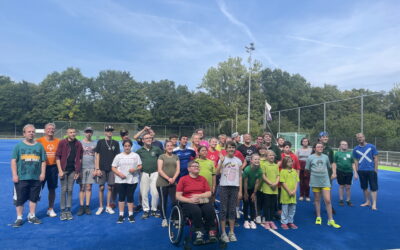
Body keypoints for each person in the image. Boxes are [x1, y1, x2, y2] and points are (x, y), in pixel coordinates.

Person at [11, 124, 46, 227]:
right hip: (22, 177)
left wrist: (43, 173)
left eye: (32, 131)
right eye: (29, 132)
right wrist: (14, 175)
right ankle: (19, 218)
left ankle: (32, 216)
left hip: (36, 177)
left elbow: (43, 161)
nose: (31, 133)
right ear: (24, 133)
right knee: (20, 199)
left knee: (33, 198)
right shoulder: (18, 146)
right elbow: (13, 161)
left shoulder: (39, 146)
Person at [176, 160, 217, 245]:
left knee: (209, 209)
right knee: (196, 211)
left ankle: (211, 231)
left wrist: (199, 196)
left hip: (201, 200)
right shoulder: (183, 179)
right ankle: (199, 232)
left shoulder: (203, 179)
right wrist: (189, 200)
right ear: (189, 169)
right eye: (194, 166)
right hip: (188, 201)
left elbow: (209, 193)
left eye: (197, 166)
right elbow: (178, 196)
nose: (196, 167)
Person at [306, 142, 341, 228]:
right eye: (318, 147)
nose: (320, 148)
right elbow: (307, 169)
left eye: (321, 147)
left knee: (328, 200)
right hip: (315, 182)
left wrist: (332, 174)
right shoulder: (310, 157)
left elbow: (328, 167)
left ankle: (331, 220)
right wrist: (315, 174)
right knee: (317, 200)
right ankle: (318, 217)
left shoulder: (325, 157)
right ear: (314, 149)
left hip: (325, 181)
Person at [217, 141, 242, 243]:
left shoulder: (238, 161)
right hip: (224, 187)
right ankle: (223, 233)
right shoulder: (222, 159)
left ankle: (231, 232)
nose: (231, 149)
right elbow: (217, 172)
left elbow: (240, 176)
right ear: (226, 149)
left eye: (233, 147)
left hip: (234, 187)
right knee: (223, 210)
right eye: (229, 147)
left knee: (232, 210)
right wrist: (221, 161)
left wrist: (240, 190)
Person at [112, 139, 142, 223]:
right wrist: (119, 174)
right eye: (125, 146)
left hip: (132, 180)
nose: (127, 147)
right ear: (123, 146)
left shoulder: (135, 155)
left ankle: (131, 215)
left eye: (129, 146)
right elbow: (113, 167)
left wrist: (134, 169)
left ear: (131, 146)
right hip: (120, 180)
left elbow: (140, 166)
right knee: (121, 197)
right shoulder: (118, 156)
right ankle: (121, 215)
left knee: (130, 197)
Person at [56, 127, 83, 220]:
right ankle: (63, 211)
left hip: (73, 171)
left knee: (70, 190)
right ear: (67, 133)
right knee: (64, 190)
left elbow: (80, 158)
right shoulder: (62, 142)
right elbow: (57, 157)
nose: (72, 134)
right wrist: (60, 170)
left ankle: (68, 210)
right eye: (70, 132)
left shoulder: (78, 144)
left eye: (74, 132)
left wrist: (78, 171)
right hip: (63, 170)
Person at [136, 133, 163, 219]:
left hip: (155, 173)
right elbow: (134, 160)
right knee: (144, 193)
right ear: (143, 140)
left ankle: (154, 210)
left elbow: (162, 158)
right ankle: (146, 210)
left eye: (150, 138)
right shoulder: (139, 151)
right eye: (146, 138)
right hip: (144, 173)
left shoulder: (157, 149)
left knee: (155, 193)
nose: (148, 139)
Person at [94, 125, 120, 215]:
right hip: (101, 168)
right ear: (105, 132)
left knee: (110, 187)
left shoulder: (116, 143)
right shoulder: (100, 142)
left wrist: (116, 169)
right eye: (108, 130)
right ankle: (101, 206)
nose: (109, 132)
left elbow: (117, 157)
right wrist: (97, 168)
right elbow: (97, 155)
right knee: (101, 187)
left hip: (112, 169)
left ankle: (108, 206)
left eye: (111, 130)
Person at [37, 122, 60, 217]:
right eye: (48, 128)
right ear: (45, 130)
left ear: (54, 130)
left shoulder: (58, 141)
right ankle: (33, 211)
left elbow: (60, 156)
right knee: (37, 189)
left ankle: (50, 209)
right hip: (41, 168)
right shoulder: (39, 141)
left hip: (53, 168)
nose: (50, 130)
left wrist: (60, 169)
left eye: (52, 129)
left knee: (52, 189)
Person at [353, 133, 379, 210]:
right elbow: (355, 161)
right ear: (357, 139)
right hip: (361, 171)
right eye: (358, 138)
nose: (360, 138)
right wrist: (357, 171)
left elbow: (376, 159)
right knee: (364, 187)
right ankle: (367, 201)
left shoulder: (371, 147)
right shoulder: (355, 149)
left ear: (364, 137)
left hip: (371, 170)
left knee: (373, 188)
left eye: (361, 137)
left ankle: (374, 204)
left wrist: (376, 170)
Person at [157, 141, 180, 227]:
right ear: (165, 147)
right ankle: (164, 219)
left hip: (173, 183)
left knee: (175, 201)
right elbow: (160, 170)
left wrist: (173, 179)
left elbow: (178, 169)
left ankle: (175, 218)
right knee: (163, 201)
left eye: (171, 145)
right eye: (168, 146)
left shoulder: (176, 157)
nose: (170, 147)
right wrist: (168, 178)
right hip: (162, 183)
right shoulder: (161, 157)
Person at [77, 127, 96, 216]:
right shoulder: (80, 143)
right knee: (82, 187)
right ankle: (81, 206)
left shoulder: (94, 143)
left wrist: (96, 168)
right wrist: (78, 169)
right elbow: (77, 156)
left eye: (90, 132)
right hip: (82, 168)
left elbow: (96, 156)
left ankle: (87, 206)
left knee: (89, 187)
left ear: (92, 133)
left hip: (91, 168)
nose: (88, 133)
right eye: (87, 132)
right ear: (84, 133)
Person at [333, 140, 358, 207]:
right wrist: (334, 172)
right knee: (341, 186)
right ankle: (341, 199)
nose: (344, 145)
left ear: (347, 146)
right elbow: (334, 163)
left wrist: (355, 173)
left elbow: (353, 164)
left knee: (348, 187)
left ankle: (348, 200)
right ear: (340, 145)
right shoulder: (337, 153)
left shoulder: (351, 154)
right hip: (340, 171)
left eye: (346, 144)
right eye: (343, 144)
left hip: (349, 172)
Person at [260, 150, 279, 230]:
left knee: (272, 205)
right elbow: (263, 176)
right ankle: (267, 221)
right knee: (267, 205)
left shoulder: (276, 165)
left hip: (274, 189)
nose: (271, 157)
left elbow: (278, 176)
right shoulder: (264, 165)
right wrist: (271, 183)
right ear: (266, 157)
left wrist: (276, 183)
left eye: (273, 155)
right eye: (270, 155)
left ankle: (271, 220)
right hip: (267, 188)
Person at [242, 154, 262, 230]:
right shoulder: (247, 169)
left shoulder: (260, 170)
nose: (257, 161)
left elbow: (257, 183)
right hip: (245, 188)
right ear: (251, 161)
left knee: (253, 204)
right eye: (255, 159)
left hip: (253, 188)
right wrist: (245, 193)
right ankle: (246, 220)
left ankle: (252, 220)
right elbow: (245, 182)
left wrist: (254, 193)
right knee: (246, 203)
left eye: (258, 159)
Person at [280, 156, 299, 230]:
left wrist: (294, 190)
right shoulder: (283, 171)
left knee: (292, 208)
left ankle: (290, 221)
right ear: (285, 163)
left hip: (293, 194)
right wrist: (289, 191)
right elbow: (283, 182)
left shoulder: (294, 171)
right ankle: (284, 222)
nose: (291, 163)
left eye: (291, 161)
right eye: (289, 162)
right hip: (286, 194)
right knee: (285, 208)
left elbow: (296, 181)